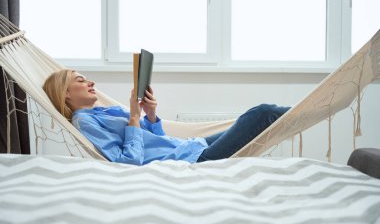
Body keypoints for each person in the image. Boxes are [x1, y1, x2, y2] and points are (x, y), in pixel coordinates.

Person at [43, 69, 290, 165]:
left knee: (254, 116)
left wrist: (150, 115)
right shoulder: (84, 121)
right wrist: (133, 118)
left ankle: (307, 109)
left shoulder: (103, 111)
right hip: (197, 159)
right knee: (261, 114)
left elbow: (158, 140)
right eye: (80, 80)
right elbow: (128, 162)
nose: (90, 81)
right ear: (64, 94)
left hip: (191, 147)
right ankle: (310, 109)